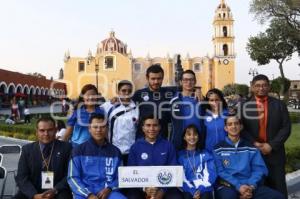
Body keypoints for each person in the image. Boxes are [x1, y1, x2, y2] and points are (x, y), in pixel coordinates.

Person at [241, 74, 291, 198]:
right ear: (252, 87)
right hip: (254, 154)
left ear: (268, 87)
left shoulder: (279, 105)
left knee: (279, 188)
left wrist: (271, 145)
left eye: (264, 85)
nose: (261, 88)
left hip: (275, 154)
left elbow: (286, 128)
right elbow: (241, 129)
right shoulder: (243, 106)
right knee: (257, 189)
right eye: (257, 86)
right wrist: (255, 143)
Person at [213, 114, 284, 199]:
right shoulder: (218, 148)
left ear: (241, 127)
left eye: (236, 123)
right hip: (228, 186)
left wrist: (251, 186)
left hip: (250, 184)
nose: (234, 126)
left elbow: (259, 169)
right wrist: (239, 186)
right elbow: (220, 172)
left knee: (278, 197)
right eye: (230, 124)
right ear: (225, 128)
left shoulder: (251, 147)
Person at [67, 113, 126, 199]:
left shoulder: (115, 152)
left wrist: (110, 188)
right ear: (89, 129)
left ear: (107, 128)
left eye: (102, 127)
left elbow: (121, 177)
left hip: (109, 192)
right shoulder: (78, 151)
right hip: (84, 194)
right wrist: (88, 195)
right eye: (95, 127)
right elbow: (72, 178)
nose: (99, 130)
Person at [126, 114, 183, 199]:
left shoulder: (168, 145)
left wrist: (162, 190)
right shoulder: (135, 147)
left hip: (165, 186)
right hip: (141, 187)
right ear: (143, 128)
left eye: (155, 125)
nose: (152, 129)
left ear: (159, 127)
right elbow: (131, 172)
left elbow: (174, 170)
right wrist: (144, 188)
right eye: (148, 125)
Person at [14, 117, 72, 199]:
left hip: (58, 190)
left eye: (50, 130)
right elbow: (21, 177)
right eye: (42, 130)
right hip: (33, 191)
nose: (46, 134)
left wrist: (55, 190)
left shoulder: (66, 148)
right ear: (36, 132)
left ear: (55, 130)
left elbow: (70, 175)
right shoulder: (27, 150)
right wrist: (34, 195)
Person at [132, 64, 176, 139]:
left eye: (159, 78)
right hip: (142, 139)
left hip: (162, 139)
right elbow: (125, 104)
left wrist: (197, 91)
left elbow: (185, 90)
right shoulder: (139, 94)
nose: (156, 82)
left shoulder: (170, 93)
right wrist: (117, 99)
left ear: (162, 78)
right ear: (147, 78)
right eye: (153, 79)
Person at [101, 80, 139, 165]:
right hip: (113, 151)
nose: (127, 93)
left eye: (129, 91)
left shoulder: (137, 108)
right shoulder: (109, 106)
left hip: (131, 152)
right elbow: (93, 112)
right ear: (118, 92)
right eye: (124, 90)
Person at [178, 124, 216, 199]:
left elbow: (212, 174)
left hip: (205, 188)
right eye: (189, 134)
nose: (192, 137)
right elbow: (181, 177)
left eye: (195, 134)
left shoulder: (206, 154)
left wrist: (200, 190)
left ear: (198, 137)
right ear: (184, 137)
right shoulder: (180, 156)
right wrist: (192, 191)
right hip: (188, 189)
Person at [170, 70, 204, 150]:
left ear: (195, 81)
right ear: (181, 82)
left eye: (191, 80)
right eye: (185, 80)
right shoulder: (174, 100)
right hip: (179, 141)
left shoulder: (201, 99)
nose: (188, 82)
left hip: (197, 140)